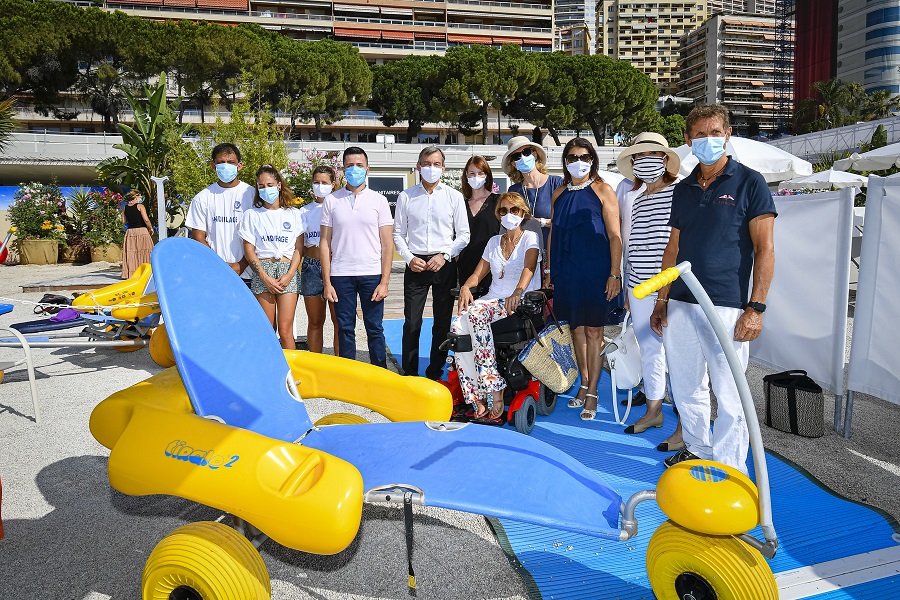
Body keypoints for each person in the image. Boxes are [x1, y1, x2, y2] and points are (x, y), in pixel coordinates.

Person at [651, 104, 776, 474]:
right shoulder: (684, 188)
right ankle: (697, 448)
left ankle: (728, 467)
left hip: (726, 304)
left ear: (727, 135)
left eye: (714, 132)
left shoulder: (750, 182)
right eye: (700, 134)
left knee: (731, 393)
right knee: (688, 386)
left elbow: (765, 248)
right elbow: (672, 247)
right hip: (681, 301)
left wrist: (756, 307)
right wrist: (662, 300)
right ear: (688, 140)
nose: (708, 140)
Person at [546, 138, 624, 421]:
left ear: (593, 159)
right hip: (566, 272)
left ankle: (593, 391)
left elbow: (615, 235)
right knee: (575, 330)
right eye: (571, 156)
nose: (578, 160)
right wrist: (549, 272)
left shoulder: (604, 190)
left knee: (594, 332)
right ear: (565, 162)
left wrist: (614, 273)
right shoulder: (558, 194)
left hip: (596, 271)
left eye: (584, 155)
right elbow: (553, 234)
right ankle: (583, 382)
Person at [615, 132, 683, 447]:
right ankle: (654, 409)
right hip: (639, 287)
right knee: (650, 350)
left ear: (665, 160)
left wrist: (667, 292)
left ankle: (686, 424)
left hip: (668, 288)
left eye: (651, 155)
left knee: (681, 355)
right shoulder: (636, 197)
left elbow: (678, 245)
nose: (645, 161)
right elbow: (631, 246)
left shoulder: (679, 192)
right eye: (639, 156)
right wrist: (630, 288)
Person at [454, 192, 541, 419]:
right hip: (493, 299)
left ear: (523, 213)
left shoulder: (530, 237)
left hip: (518, 299)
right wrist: (466, 287)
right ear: (498, 214)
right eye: (504, 210)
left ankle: (495, 386)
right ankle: (475, 395)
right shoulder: (494, 242)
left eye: (514, 210)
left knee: (476, 316)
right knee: (457, 325)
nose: (509, 214)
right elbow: (477, 275)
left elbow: (529, 268)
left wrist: (518, 291)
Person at [393, 146, 470, 379]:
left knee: (442, 322)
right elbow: (398, 234)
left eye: (436, 164)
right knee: (411, 322)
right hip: (415, 265)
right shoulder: (405, 196)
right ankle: (409, 372)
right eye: (427, 163)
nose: (431, 168)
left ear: (443, 168)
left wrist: (445, 255)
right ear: (418, 166)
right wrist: (409, 258)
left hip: (443, 264)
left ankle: (435, 372)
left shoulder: (454, 197)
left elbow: (463, 235)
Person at [321, 147, 394, 369]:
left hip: (372, 274)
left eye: (359, 165)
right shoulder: (331, 201)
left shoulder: (379, 201)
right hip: (341, 275)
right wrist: (327, 282)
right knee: (344, 328)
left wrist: (385, 282)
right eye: (350, 165)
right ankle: (349, 376)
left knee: (374, 328)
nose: (354, 169)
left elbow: (387, 244)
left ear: (367, 169)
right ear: (343, 169)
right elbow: (324, 243)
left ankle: (381, 374)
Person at [239, 165, 304, 350]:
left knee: (285, 331)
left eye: (269, 184)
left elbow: (299, 248)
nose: (265, 189)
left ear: (279, 185)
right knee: (267, 329)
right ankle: (268, 372)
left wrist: (290, 274)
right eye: (261, 186)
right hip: (262, 272)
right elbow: (249, 249)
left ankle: (292, 373)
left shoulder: (294, 214)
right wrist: (264, 277)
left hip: (287, 272)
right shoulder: (251, 215)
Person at [185, 143, 256, 285]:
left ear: (239, 165)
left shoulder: (253, 194)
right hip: (214, 272)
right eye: (221, 162)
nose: (226, 166)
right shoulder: (202, 198)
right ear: (213, 165)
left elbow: (259, 236)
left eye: (231, 162)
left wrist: (241, 265)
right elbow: (198, 237)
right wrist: (218, 265)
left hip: (249, 273)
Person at [298, 166, 340, 355]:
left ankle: (341, 365)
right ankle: (317, 363)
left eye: (324, 183)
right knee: (315, 321)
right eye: (316, 182)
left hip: (337, 267)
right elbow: (299, 245)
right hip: (311, 267)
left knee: (339, 321)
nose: (320, 186)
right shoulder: (303, 211)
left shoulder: (339, 207)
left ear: (333, 184)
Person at [503, 136, 563, 250]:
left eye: (526, 152)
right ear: (514, 164)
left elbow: (564, 221)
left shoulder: (556, 183)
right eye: (517, 156)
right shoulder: (514, 190)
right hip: (524, 253)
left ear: (534, 155)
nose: (522, 157)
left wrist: (539, 222)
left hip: (553, 250)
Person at [458, 156, 501, 289]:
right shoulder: (460, 204)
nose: (476, 176)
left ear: (487, 175)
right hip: (466, 266)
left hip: (492, 267)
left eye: (480, 173)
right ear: (466, 175)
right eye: (472, 173)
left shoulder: (499, 201)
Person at [120, 190, 154, 279]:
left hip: (130, 232)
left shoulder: (125, 208)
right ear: (136, 197)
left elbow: (124, 221)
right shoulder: (140, 206)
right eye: (139, 197)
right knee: (146, 251)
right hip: (141, 231)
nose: (140, 198)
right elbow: (146, 219)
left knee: (132, 253)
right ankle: (147, 272)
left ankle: (131, 273)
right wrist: (150, 228)